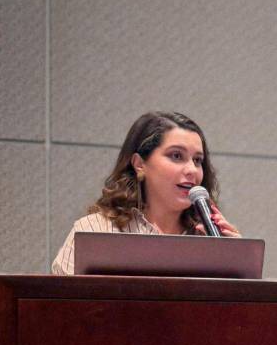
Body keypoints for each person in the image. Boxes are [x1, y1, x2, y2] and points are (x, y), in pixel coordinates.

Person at [52, 111, 240, 275]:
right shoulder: (94, 231)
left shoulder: (211, 240)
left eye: (198, 160)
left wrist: (236, 260)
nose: (192, 169)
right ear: (140, 164)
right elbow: (59, 305)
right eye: (176, 156)